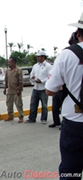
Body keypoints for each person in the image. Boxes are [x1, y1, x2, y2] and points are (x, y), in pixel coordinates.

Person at [45, 13, 83, 179]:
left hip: (75, 122)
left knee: (70, 170)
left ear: (78, 32)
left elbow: (50, 90)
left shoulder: (67, 55)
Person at [25, 51, 51, 124]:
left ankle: (44, 119)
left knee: (44, 104)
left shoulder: (48, 66)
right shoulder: (35, 66)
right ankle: (32, 118)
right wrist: (32, 78)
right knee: (33, 103)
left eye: (39, 56)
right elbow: (31, 74)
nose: (37, 58)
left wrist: (42, 81)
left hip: (43, 88)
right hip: (35, 88)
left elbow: (50, 76)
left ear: (43, 57)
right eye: (37, 56)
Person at [3, 57, 24, 123]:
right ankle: (10, 116)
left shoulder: (18, 70)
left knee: (18, 104)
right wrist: (5, 88)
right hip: (10, 90)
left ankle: (20, 116)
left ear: (14, 62)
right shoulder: (7, 71)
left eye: (10, 62)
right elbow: (6, 80)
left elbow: (21, 80)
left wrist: (19, 89)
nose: (8, 63)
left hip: (16, 90)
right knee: (9, 103)